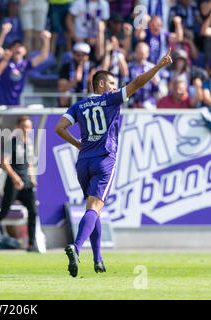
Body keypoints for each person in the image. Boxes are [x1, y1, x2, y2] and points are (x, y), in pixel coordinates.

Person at [54, 49, 173, 277]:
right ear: (99, 86)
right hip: (104, 160)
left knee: (94, 208)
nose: (113, 86)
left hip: (83, 162)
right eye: (110, 82)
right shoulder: (111, 99)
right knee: (94, 208)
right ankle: (76, 247)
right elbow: (137, 82)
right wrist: (158, 67)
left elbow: (59, 128)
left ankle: (98, 259)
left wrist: (78, 144)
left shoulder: (78, 106)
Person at [0, 116, 39, 253]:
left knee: (33, 212)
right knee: (4, 211)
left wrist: (32, 177)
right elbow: (4, 162)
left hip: (27, 183)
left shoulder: (29, 143)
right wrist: (15, 178)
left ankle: (31, 244)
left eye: (28, 127)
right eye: (23, 127)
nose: (26, 130)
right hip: (13, 183)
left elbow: (29, 162)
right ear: (18, 128)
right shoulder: (12, 142)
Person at [0, 22, 51, 106]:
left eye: (20, 46)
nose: (17, 48)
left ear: (25, 51)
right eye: (14, 46)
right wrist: (3, 33)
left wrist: (46, 40)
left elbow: (43, 56)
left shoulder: (26, 64)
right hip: (0, 101)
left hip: (16, 102)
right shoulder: (5, 60)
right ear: (11, 49)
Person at [58, 42, 96, 107]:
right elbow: (62, 89)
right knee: (63, 97)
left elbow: (94, 89)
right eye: (78, 55)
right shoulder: (66, 67)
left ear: (87, 56)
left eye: (83, 55)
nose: (80, 58)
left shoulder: (92, 66)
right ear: (73, 54)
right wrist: (75, 80)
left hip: (86, 96)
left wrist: (90, 81)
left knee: (95, 96)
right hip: (71, 96)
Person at [128, 42, 159, 109]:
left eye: (142, 52)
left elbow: (156, 88)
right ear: (135, 53)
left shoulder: (152, 68)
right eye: (138, 52)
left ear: (148, 54)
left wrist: (155, 82)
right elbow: (125, 84)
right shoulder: (129, 67)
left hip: (148, 101)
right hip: (132, 101)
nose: (140, 54)